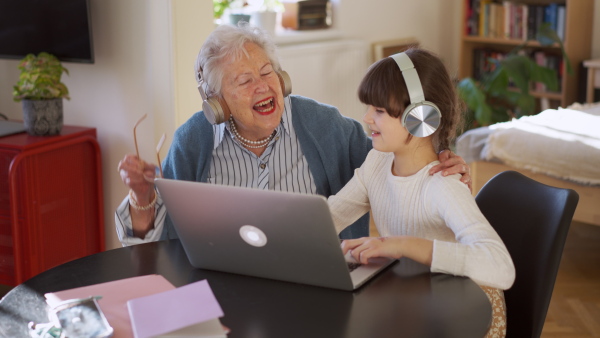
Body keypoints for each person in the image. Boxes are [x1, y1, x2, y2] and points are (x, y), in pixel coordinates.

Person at [115, 23, 472, 247]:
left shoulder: (324, 126)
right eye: (244, 81)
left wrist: (437, 165)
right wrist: (142, 196)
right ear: (217, 101)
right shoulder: (193, 140)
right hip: (223, 287)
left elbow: (394, 164)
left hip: (319, 286)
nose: (263, 86)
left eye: (267, 72)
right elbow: (153, 243)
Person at [327, 48, 515, 337]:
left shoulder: (443, 184)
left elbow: (502, 268)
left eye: (378, 110)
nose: (366, 117)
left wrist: (403, 245)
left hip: (463, 316)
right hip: (416, 301)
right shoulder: (377, 162)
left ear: (420, 117)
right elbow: (335, 214)